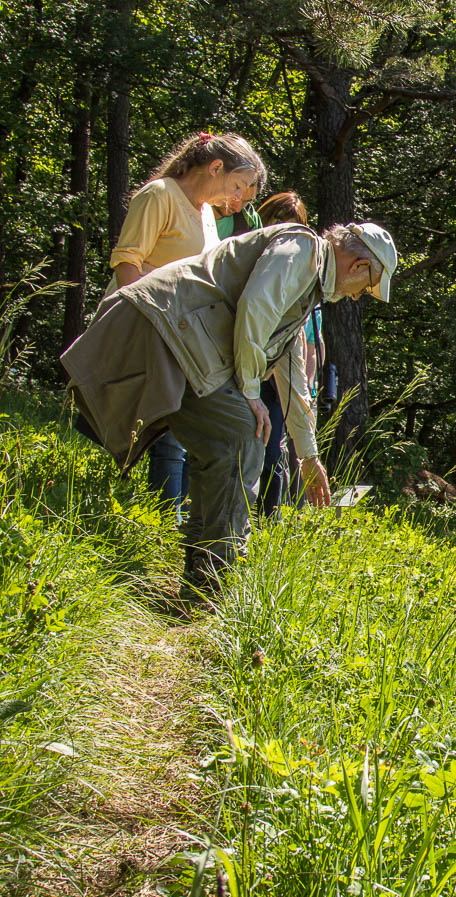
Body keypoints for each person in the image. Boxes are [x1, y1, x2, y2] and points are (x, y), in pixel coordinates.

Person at [62, 220, 398, 602]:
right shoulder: (302, 248)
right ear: (358, 266)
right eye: (365, 287)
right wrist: (251, 392)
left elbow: (292, 377)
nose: (356, 297)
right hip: (164, 325)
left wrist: (308, 456)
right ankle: (213, 582)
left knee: (227, 443)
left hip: (182, 338)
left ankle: (202, 576)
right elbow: (256, 305)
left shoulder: (308, 283)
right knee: (243, 435)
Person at [107, 132, 268, 523]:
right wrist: (147, 322)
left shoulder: (206, 214)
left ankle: (175, 522)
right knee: (164, 432)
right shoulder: (159, 195)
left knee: (180, 432)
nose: (239, 199)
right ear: (216, 168)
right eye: (238, 186)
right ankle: (161, 520)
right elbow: (127, 264)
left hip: (181, 336)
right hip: (145, 327)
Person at [252, 192, 311, 515]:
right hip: (246, 370)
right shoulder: (249, 256)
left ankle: (267, 519)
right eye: (278, 225)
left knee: (272, 452)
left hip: (278, 380)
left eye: (294, 228)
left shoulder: (302, 276)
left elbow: (304, 342)